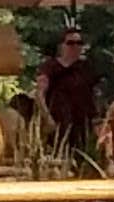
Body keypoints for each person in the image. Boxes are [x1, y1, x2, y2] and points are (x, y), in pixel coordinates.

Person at [36, 25, 103, 153]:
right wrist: (47, 118)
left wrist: (97, 119)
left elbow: (95, 95)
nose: (75, 47)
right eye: (70, 43)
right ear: (62, 46)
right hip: (59, 121)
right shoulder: (50, 67)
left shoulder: (86, 68)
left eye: (79, 43)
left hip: (83, 123)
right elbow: (39, 94)